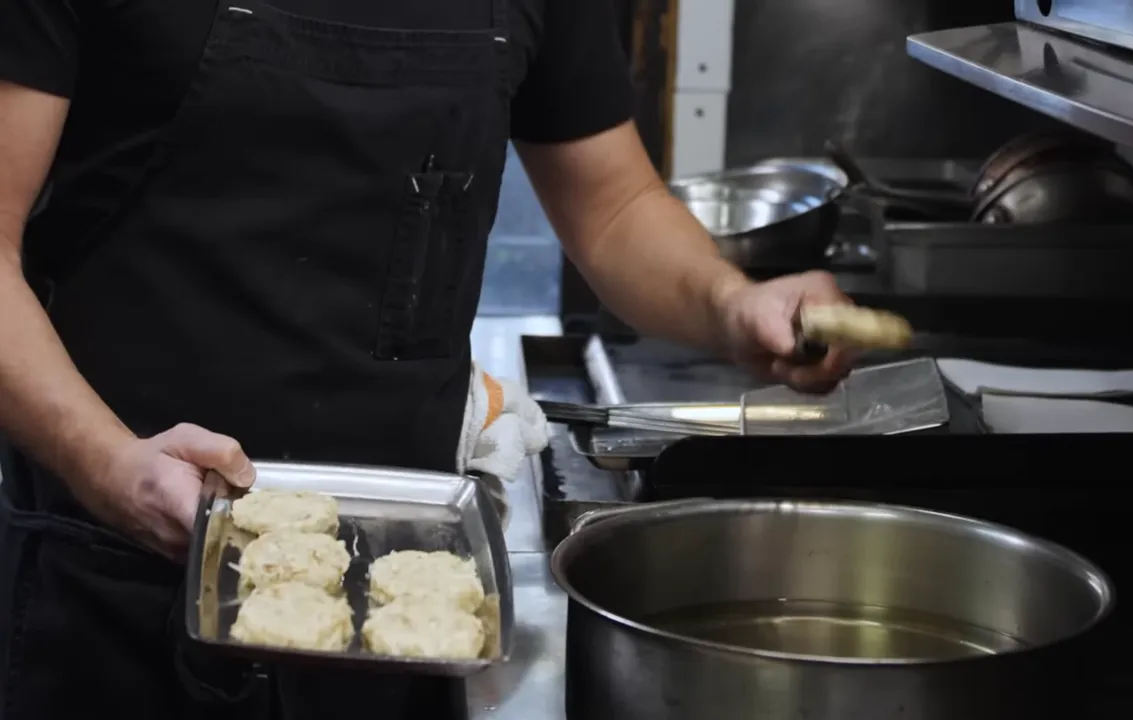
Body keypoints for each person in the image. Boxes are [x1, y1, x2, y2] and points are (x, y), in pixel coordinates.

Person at [0, 0, 858, 716]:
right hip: (114, 564)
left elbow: (614, 206)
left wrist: (732, 303)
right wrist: (104, 462)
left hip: (406, 577)